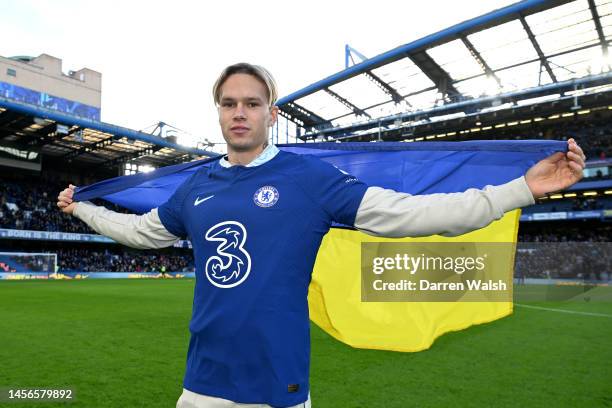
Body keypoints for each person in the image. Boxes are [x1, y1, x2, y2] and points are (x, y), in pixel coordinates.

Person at [57, 63, 586, 408]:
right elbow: (139, 233)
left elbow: (419, 215)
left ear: (272, 112)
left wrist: (521, 188)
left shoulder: (309, 180)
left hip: (277, 387)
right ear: (218, 111)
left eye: (251, 102)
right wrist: (82, 211)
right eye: (228, 103)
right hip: (200, 387)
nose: (239, 112)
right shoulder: (196, 186)